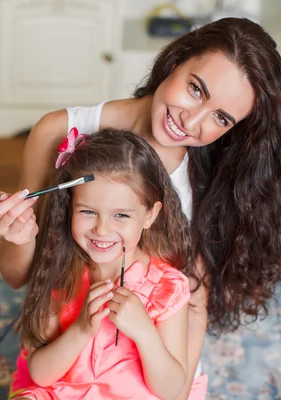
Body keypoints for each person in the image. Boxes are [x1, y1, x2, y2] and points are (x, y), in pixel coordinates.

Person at [0, 17, 281, 399]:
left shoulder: (209, 178)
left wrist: (176, 389)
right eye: (195, 89)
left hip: (154, 361)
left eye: (220, 118)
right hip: (68, 343)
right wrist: (19, 237)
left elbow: (193, 305)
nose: (191, 120)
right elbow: (18, 277)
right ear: (175, 61)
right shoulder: (56, 131)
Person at [11, 129, 204, 399]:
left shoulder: (166, 289)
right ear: (70, 208)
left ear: (150, 215)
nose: (102, 230)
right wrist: (80, 330)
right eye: (88, 212)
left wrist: (144, 332)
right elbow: (41, 375)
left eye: (121, 215)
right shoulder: (61, 271)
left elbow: (172, 391)